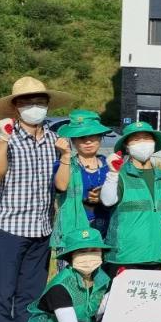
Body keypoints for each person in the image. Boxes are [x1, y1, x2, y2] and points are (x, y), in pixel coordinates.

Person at [0, 76, 75, 322]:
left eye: (40, 101)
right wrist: (3, 140)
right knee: (2, 292)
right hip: (9, 227)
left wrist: (66, 157)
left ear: (48, 105)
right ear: (15, 107)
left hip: (41, 227)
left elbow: (61, 184)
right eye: (27, 102)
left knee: (31, 294)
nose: (34, 107)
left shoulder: (55, 139)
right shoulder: (4, 137)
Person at [101, 121, 161, 276]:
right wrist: (113, 173)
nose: (142, 143)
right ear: (126, 146)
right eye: (136, 139)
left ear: (154, 144)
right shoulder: (119, 175)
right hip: (125, 257)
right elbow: (107, 200)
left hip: (159, 255)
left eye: (147, 138)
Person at [51, 110, 112, 262]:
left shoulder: (110, 166)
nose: (88, 141)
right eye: (82, 137)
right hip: (73, 234)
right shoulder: (64, 164)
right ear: (73, 140)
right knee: (72, 273)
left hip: (105, 233)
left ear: (100, 137)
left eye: (93, 136)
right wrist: (65, 155)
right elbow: (61, 186)